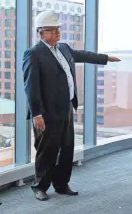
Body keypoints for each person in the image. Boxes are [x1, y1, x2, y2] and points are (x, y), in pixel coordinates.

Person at [23, 10, 121, 201]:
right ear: (41, 33)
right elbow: (31, 86)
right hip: (46, 112)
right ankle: (40, 186)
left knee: (67, 148)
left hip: (66, 108)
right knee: (47, 150)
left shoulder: (64, 48)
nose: (57, 33)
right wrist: (37, 114)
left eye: (58, 29)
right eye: (52, 30)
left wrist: (106, 58)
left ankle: (61, 184)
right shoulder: (34, 54)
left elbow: (83, 55)